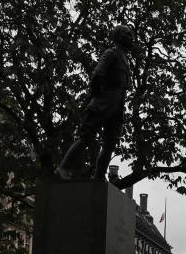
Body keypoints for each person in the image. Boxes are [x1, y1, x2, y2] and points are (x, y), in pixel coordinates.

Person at [57, 24, 135, 181]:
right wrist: (99, 96)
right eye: (127, 34)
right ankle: (63, 168)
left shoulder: (126, 60)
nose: (131, 36)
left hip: (117, 106)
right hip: (103, 102)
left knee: (109, 144)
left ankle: (99, 176)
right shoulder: (111, 53)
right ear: (119, 37)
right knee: (86, 136)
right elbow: (97, 74)